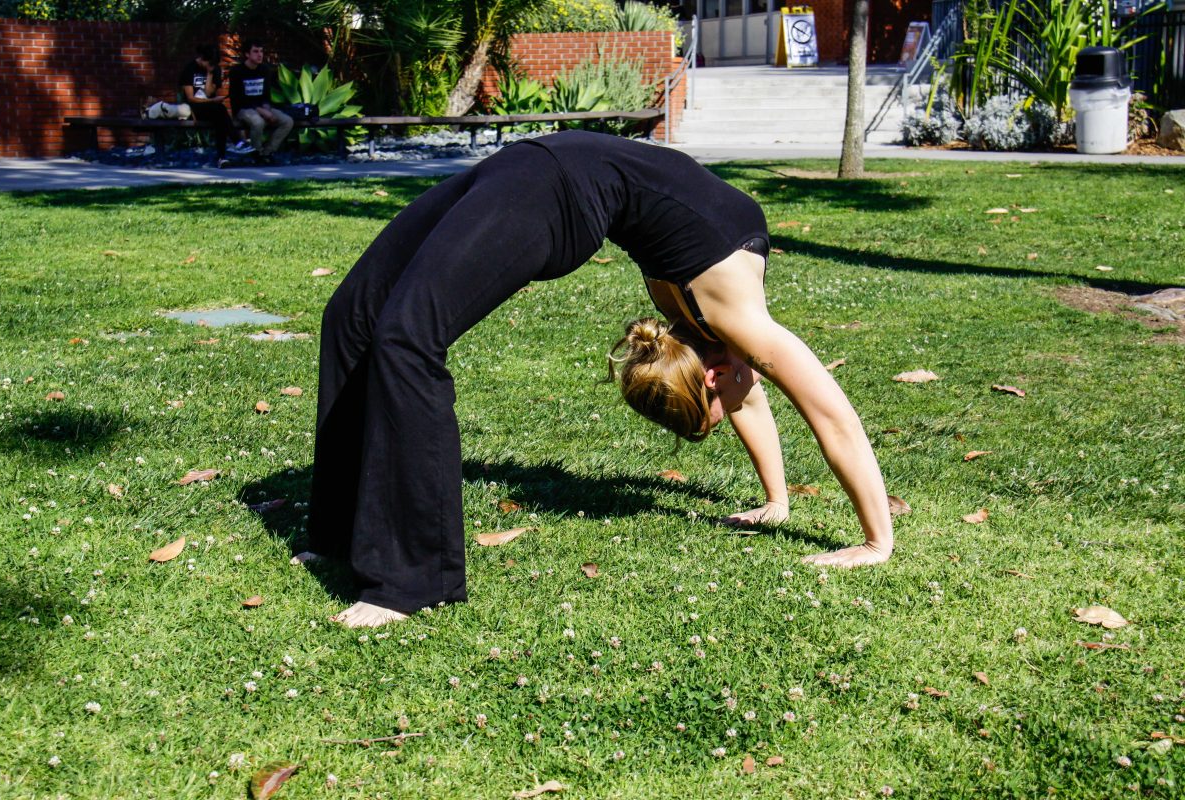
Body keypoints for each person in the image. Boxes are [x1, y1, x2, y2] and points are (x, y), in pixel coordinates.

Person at [306, 131, 894, 628]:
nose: (744, 407)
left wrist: (776, 501)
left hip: (539, 160)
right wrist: (875, 541)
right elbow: (831, 417)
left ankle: (353, 540)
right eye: (723, 414)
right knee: (370, 324)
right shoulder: (737, 316)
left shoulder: (706, 324)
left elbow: (746, 394)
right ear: (714, 375)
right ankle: (410, 576)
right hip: (549, 186)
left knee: (385, 326)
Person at [178, 44, 253, 167]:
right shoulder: (189, 69)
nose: (211, 66)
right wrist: (212, 101)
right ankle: (236, 142)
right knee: (220, 111)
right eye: (209, 63)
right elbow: (191, 98)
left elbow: (208, 93)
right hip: (193, 108)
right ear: (202, 58)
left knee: (220, 117)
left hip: (211, 108)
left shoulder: (214, 70)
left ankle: (222, 158)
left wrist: (210, 74)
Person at [227, 40, 294, 163]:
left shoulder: (265, 70)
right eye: (256, 51)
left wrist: (267, 110)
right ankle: (256, 153)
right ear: (247, 54)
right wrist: (262, 111)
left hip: (262, 108)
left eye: (261, 51)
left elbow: (266, 95)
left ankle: (267, 152)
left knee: (287, 121)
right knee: (258, 122)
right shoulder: (237, 71)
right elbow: (238, 99)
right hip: (243, 109)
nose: (260, 55)